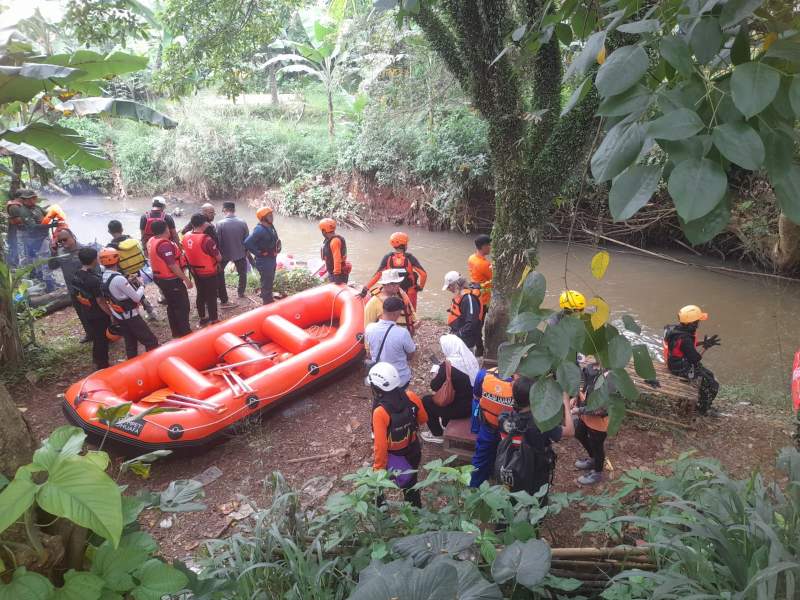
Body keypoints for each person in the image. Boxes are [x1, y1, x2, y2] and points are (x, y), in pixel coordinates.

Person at [495, 376, 574, 502]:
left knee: (513, 497)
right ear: (534, 398)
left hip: (509, 466)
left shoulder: (504, 418)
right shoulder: (541, 424)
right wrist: (566, 404)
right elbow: (570, 431)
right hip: (535, 471)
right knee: (535, 498)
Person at [368, 362, 428, 507]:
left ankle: (382, 515)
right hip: (413, 451)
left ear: (376, 388)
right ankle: (416, 512)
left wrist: (378, 470)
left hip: (394, 458)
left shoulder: (380, 412)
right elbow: (423, 418)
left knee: (378, 489)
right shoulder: (411, 396)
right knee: (411, 486)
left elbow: (380, 446)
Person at [99, 248, 159, 359]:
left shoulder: (103, 277)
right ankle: (155, 363)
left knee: (130, 343)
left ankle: (132, 366)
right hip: (131, 316)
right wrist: (141, 285)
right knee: (151, 341)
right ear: (118, 259)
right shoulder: (118, 279)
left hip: (120, 316)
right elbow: (136, 298)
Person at [419, 334, 480, 444]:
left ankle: (436, 434)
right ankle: (445, 421)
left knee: (426, 401)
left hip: (459, 410)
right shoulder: (469, 358)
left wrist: (435, 374)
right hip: (471, 404)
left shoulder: (448, 366)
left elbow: (434, 386)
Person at [664, 304, 721, 416]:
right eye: (698, 322)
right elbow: (696, 359)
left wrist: (701, 343)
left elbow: (685, 346)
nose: (699, 324)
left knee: (710, 375)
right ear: (693, 323)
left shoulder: (676, 329)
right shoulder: (685, 339)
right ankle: (703, 410)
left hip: (674, 362)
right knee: (713, 385)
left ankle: (702, 404)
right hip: (681, 368)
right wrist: (706, 347)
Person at [469, 366, 515, 488]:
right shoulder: (523, 383)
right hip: (510, 431)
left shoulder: (483, 375)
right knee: (510, 461)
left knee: (481, 458)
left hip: (488, 427)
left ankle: (474, 487)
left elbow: (476, 398)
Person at [147, 220, 193, 338]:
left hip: (160, 279)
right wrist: (186, 280)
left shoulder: (152, 241)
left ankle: (176, 332)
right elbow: (172, 265)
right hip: (171, 281)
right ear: (166, 229)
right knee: (182, 306)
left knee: (172, 305)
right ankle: (185, 333)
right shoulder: (164, 245)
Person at [107, 220, 158, 321]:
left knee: (129, 295)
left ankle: (136, 316)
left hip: (123, 275)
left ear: (109, 232)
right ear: (122, 229)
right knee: (139, 292)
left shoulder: (111, 247)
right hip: (137, 271)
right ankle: (151, 312)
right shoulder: (131, 240)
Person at [361, 232, 427, 309]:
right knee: (410, 314)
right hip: (410, 292)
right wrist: (420, 287)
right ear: (404, 245)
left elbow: (378, 275)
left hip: (392, 292)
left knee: (391, 311)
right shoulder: (410, 258)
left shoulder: (388, 257)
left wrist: (365, 289)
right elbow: (423, 274)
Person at [570, 361, 610, 486]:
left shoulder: (611, 377)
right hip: (585, 414)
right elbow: (585, 385)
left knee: (597, 444)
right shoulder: (591, 367)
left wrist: (579, 410)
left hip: (599, 421)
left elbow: (602, 408)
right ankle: (593, 459)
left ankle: (597, 471)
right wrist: (576, 397)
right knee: (579, 433)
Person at [49, 228, 92, 342]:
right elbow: (52, 266)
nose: (63, 243)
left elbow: (94, 269)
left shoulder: (83, 250)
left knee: (93, 312)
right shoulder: (60, 252)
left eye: (65, 239)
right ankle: (89, 333)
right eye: (60, 241)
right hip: (72, 289)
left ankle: (103, 332)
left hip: (87, 289)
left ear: (73, 237)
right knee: (80, 312)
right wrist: (53, 252)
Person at [72, 247, 112, 370]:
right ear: (94, 260)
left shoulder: (77, 275)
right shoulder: (92, 280)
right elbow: (100, 300)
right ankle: (102, 363)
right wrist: (111, 313)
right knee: (102, 338)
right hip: (98, 313)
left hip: (86, 310)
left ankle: (96, 357)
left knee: (97, 336)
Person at [364, 296, 416, 390]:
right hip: (399, 378)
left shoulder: (369, 328)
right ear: (396, 313)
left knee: (381, 399)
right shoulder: (402, 333)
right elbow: (411, 355)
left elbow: (371, 348)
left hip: (378, 377)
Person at [183, 213, 222, 327]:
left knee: (200, 294)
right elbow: (219, 257)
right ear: (203, 224)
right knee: (211, 296)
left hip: (195, 271)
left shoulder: (186, 236)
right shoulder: (206, 240)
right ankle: (214, 319)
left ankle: (202, 318)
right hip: (209, 272)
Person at [10, 189, 52, 287]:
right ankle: (45, 280)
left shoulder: (37, 207)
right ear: (24, 200)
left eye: (34, 198)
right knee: (39, 257)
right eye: (29, 199)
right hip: (33, 238)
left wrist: (55, 213)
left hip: (43, 235)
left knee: (40, 257)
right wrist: (51, 225)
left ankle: (42, 277)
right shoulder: (22, 210)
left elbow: (47, 214)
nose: (32, 200)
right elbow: (32, 226)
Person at [244, 206, 281, 305]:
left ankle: (269, 299)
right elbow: (247, 243)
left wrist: (276, 250)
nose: (272, 217)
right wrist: (259, 253)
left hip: (271, 258)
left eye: (272, 215)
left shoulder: (270, 226)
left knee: (269, 280)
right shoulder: (259, 230)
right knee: (266, 281)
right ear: (263, 218)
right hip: (264, 261)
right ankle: (267, 302)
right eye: (269, 216)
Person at [364, 269, 417, 334]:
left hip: (404, 336)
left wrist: (415, 323)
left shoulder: (402, 295)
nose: (397, 286)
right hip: (386, 340)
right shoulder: (373, 303)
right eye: (393, 284)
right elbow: (368, 328)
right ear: (384, 284)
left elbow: (411, 310)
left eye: (397, 283)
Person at [216, 201, 249, 301]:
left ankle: (221, 294)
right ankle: (241, 292)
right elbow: (247, 239)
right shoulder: (242, 222)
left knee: (219, 273)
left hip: (224, 254)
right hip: (240, 253)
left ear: (224, 210)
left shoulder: (219, 224)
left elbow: (218, 241)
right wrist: (246, 251)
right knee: (242, 274)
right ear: (234, 210)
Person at [442, 271, 483, 352]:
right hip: (458, 336)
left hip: (466, 340)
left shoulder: (468, 299)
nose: (448, 289)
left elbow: (471, 323)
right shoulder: (460, 295)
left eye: (449, 287)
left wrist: (457, 335)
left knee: (464, 361)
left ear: (456, 284)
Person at [468, 234, 492, 356]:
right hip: (484, 299)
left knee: (477, 322)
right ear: (483, 247)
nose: (490, 247)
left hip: (475, 295)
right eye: (488, 245)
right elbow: (494, 278)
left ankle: (478, 346)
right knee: (480, 324)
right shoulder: (484, 264)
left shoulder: (472, 258)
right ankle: (480, 348)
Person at [318, 218, 350, 284]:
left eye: (321, 230)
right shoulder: (330, 239)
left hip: (338, 274)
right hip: (334, 271)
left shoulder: (335, 241)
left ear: (324, 231)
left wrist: (337, 275)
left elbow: (337, 259)